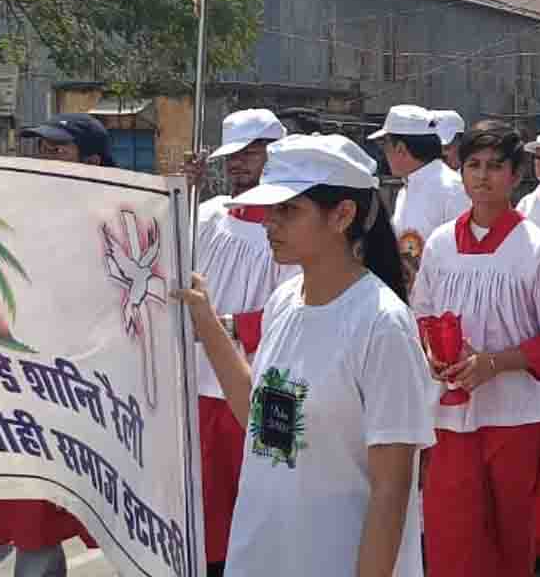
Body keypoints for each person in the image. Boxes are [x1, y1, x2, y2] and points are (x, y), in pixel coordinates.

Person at [175, 134, 436, 577]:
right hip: (265, 550)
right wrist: (206, 322)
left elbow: (393, 487)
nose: (268, 223)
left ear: (343, 215)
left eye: (288, 210)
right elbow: (261, 419)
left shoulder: (381, 324)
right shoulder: (284, 300)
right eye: (270, 210)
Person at [410, 121, 540, 577]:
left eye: (494, 166)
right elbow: (422, 313)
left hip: (515, 418)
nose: (482, 176)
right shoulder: (441, 245)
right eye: (473, 165)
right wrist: (432, 353)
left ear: (515, 175)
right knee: (451, 533)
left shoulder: (538, 251)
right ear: (460, 171)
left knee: (509, 538)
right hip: (451, 416)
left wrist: (493, 364)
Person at [0, 114, 114, 577]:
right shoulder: (15, 213)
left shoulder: (118, 222)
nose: (44, 158)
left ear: (93, 161)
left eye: (58, 150)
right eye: (42, 148)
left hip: (86, 397)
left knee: (115, 527)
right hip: (23, 393)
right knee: (31, 529)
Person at [182, 108, 299, 576]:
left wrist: (223, 325)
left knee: (264, 505)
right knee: (208, 508)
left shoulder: (293, 225)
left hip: (262, 384)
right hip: (200, 385)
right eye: (232, 155)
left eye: (251, 153)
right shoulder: (206, 215)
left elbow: (296, 310)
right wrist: (180, 193)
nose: (238, 164)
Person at [371, 105, 470, 272]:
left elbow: (467, 258)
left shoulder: (454, 190)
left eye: (385, 146)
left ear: (401, 149)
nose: (384, 155)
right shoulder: (406, 190)